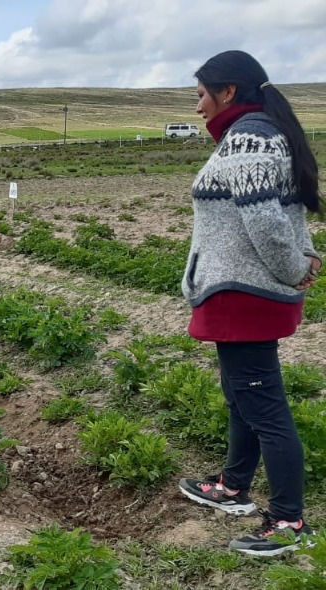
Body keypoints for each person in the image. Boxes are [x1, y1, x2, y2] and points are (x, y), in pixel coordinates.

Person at [176, 50, 321, 557]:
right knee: (242, 397)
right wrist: (302, 260)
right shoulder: (257, 134)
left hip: (246, 295)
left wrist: (296, 267)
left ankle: (289, 521)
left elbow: (266, 221)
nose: (198, 106)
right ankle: (234, 486)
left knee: (265, 407)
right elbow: (282, 212)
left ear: (228, 92)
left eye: (201, 95)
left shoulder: (249, 138)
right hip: (241, 292)